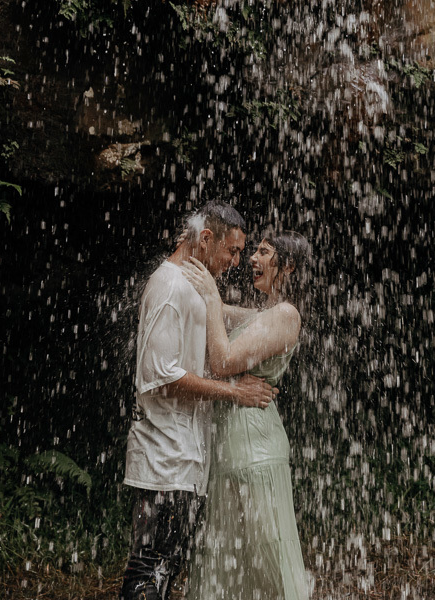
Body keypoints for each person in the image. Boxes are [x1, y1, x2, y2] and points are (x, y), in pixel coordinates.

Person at [120, 202, 278, 600]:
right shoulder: (170, 286)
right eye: (233, 250)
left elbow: (218, 317)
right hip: (163, 458)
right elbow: (161, 375)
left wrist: (279, 318)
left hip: (184, 459)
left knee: (163, 573)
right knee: (145, 577)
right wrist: (234, 391)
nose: (237, 261)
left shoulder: (189, 285)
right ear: (206, 238)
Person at [181, 231, 312, 600]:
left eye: (264, 252)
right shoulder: (265, 314)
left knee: (269, 560)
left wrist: (209, 292)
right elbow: (217, 313)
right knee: (229, 560)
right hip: (234, 447)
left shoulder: (286, 315)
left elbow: (223, 361)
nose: (252, 258)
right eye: (253, 251)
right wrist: (189, 275)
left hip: (256, 448)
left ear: (287, 266)